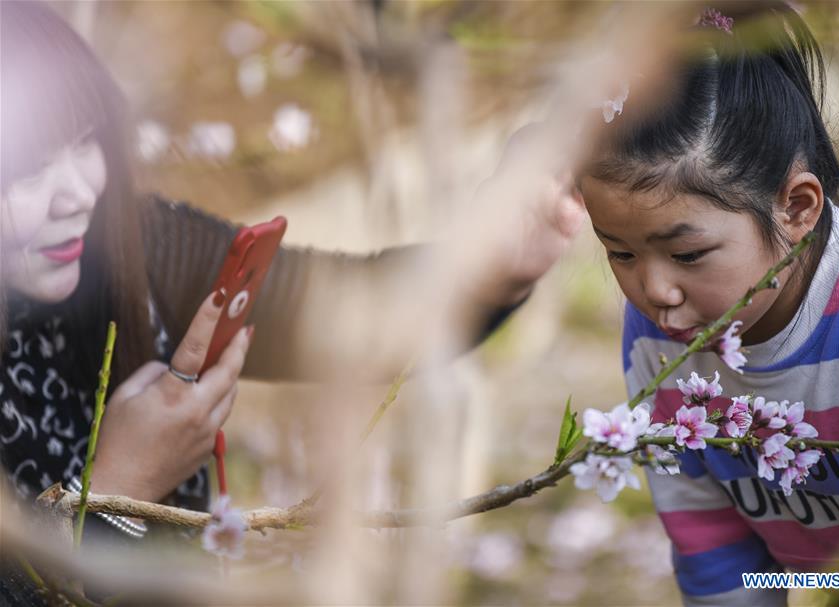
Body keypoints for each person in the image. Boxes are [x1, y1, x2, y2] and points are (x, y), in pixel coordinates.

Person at [0, 2, 586, 603]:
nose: (77, 193)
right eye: (29, 169)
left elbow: (342, 314)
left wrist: (494, 265)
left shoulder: (131, 243)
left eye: (85, 142)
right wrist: (118, 490)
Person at [576, 3, 839, 605]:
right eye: (619, 253)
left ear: (797, 208)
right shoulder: (660, 336)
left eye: (688, 254)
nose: (655, 293)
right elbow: (706, 528)